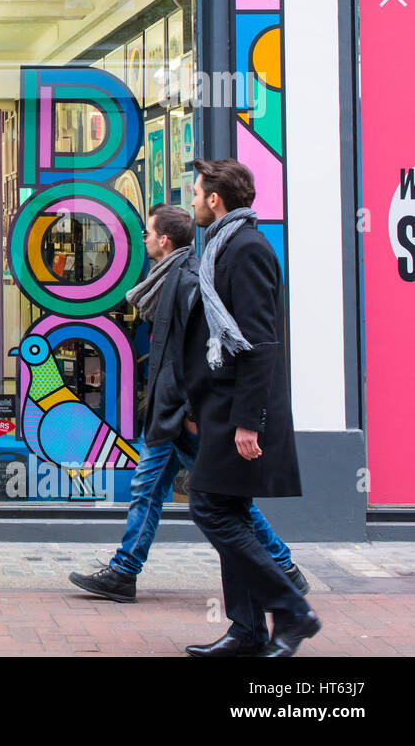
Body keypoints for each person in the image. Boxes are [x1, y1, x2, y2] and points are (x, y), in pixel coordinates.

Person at [69, 204, 306, 604]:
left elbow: (192, 354)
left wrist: (189, 412)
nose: (143, 240)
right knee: (157, 491)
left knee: (216, 499)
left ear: (164, 240)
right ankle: (126, 570)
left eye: (147, 234)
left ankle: (281, 567)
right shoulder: (168, 279)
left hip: (178, 413)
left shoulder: (187, 279)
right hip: (171, 410)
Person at [181, 159, 318, 657]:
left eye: (197, 193)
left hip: (240, 413)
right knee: (229, 510)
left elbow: (260, 343)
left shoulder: (247, 249)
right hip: (221, 408)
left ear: (215, 199)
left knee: (210, 507)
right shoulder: (224, 245)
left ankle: (293, 611)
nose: (192, 201)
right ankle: (247, 631)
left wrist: (247, 422)